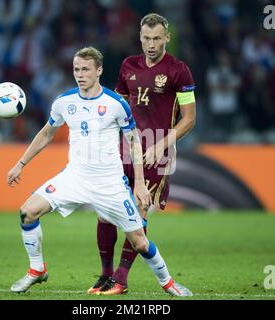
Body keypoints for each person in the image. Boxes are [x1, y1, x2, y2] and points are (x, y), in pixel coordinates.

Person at [8, 46, 192, 297]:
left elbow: (134, 143)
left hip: (109, 183)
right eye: (76, 69)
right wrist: (20, 163)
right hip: (74, 177)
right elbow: (46, 134)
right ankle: (37, 269)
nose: (80, 74)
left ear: (99, 71)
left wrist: (138, 183)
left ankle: (168, 283)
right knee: (27, 212)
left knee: (139, 241)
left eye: (85, 69)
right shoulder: (64, 102)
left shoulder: (116, 104)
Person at [89, 13, 196, 295]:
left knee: (137, 213)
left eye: (157, 38)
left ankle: (121, 280)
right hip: (121, 150)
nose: (151, 44)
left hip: (154, 154)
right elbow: (118, 106)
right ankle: (105, 275)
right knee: (105, 215)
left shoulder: (178, 70)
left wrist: (161, 145)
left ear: (167, 38)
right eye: (147, 38)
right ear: (140, 37)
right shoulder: (128, 65)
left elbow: (189, 119)